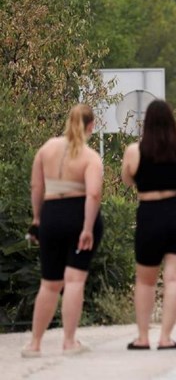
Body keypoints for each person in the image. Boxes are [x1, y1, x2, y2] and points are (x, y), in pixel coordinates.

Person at [121, 100, 176, 350]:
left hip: (150, 216)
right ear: (172, 122)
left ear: (146, 123)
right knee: (174, 280)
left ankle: (142, 337)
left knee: (145, 281)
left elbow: (127, 180)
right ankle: (165, 338)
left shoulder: (134, 151)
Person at [22, 104, 104, 357]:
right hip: (79, 215)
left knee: (49, 283)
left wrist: (37, 219)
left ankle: (35, 344)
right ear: (91, 126)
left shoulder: (46, 149)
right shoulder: (90, 157)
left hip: (51, 216)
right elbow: (92, 194)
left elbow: (36, 187)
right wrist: (88, 228)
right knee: (74, 280)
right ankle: (69, 342)